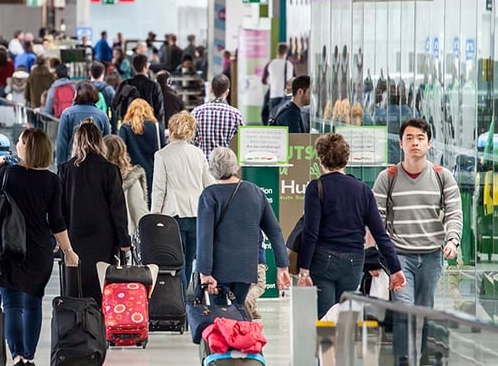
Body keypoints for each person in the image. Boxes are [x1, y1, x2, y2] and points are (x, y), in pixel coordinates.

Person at [372, 118, 462, 364]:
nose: (415, 143)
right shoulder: (388, 177)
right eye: (409, 138)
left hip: (432, 256)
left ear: (429, 143)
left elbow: (454, 213)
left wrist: (452, 240)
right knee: (404, 311)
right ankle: (403, 360)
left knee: (424, 312)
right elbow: (376, 219)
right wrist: (379, 253)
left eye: (420, 138)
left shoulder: (442, 176)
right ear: (400, 143)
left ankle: (422, 358)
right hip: (399, 256)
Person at [0, 128, 80, 366]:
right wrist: (68, 250)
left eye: (20, 141)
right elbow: (57, 221)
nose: (17, 144)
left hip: (9, 248)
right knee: (33, 303)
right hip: (40, 250)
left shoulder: (8, 175)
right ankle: (29, 356)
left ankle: (17, 355)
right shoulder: (51, 180)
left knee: (11, 304)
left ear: (28, 147)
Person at [296, 133, 406, 319]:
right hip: (354, 261)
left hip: (323, 260)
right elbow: (380, 233)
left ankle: (327, 339)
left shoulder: (316, 187)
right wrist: (395, 269)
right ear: (346, 159)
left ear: (321, 159)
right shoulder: (362, 189)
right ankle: (345, 339)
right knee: (347, 317)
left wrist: (304, 271)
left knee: (326, 317)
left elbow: (310, 233)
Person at [196, 147, 290, 311]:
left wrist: (205, 272)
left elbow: (204, 237)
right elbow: (275, 231)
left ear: (212, 168)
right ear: (235, 165)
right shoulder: (255, 192)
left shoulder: (209, 195)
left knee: (219, 317)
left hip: (218, 269)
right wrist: (282, 266)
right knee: (239, 312)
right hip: (246, 267)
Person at [58, 119, 130, 304]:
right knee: (101, 289)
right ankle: (98, 319)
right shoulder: (110, 170)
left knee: (75, 289)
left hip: (73, 238)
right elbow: (117, 208)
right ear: (99, 141)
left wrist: (58, 239)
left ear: (76, 142)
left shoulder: (65, 170)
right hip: (103, 240)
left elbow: (60, 208)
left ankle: (76, 319)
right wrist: (124, 240)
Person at [151, 111, 214, 297]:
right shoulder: (198, 153)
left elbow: (159, 189)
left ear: (171, 130)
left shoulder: (162, 155)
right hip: (197, 215)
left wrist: (154, 216)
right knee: (191, 260)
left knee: (177, 262)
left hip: (173, 216)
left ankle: (181, 300)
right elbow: (209, 184)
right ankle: (189, 298)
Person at [119, 98, 166, 201]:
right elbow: (163, 149)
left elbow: (121, 151)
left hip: (133, 174)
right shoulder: (157, 127)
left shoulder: (125, 128)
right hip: (153, 171)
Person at [55, 81, 111, 166]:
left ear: (76, 94)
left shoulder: (67, 114)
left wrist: (61, 166)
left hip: (73, 163)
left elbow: (61, 143)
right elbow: (107, 141)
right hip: (97, 164)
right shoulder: (102, 115)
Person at [192, 75, 245, 159]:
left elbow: (191, 139)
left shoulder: (197, 112)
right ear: (227, 92)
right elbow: (243, 140)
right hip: (225, 163)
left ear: (211, 90)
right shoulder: (235, 114)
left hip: (203, 163)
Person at [104, 135, 148, 235]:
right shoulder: (131, 178)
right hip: (125, 233)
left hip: (102, 235)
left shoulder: (97, 179)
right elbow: (139, 211)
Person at [113, 54, 165, 126]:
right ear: (146, 66)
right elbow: (159, 112)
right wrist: (159, 129)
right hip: (149, 125)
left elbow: (115, 104)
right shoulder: (154, 86)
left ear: (134, 67)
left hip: (129, 125)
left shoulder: (125, 84)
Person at [261, 42, 296, 115]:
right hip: (287, 95)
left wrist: (271, 82)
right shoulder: (290, 63)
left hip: (274, 95)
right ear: (286, 52)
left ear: (277, 51)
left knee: (273, 117)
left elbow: (263, 80)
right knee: (286, 116)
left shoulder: (270, 63)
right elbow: (295, 78)